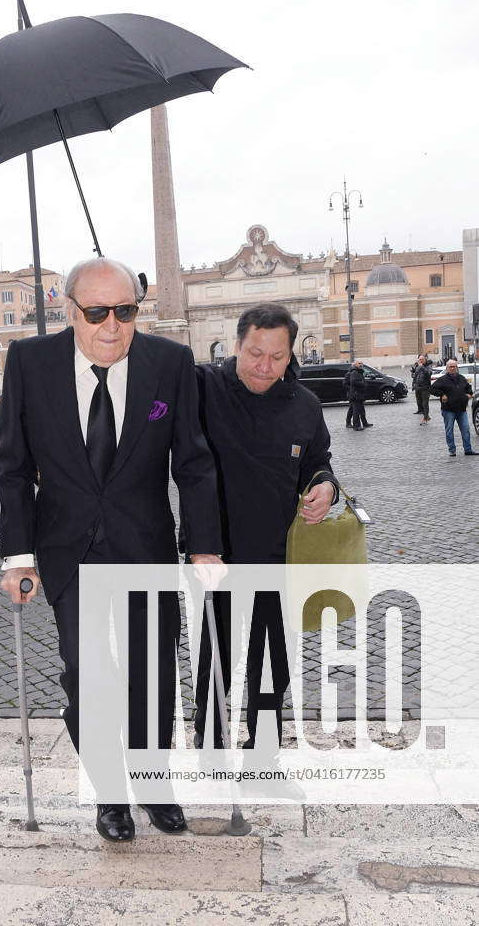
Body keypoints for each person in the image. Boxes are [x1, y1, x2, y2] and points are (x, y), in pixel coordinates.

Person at [0, 257, 222, 843]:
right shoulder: (29, 363)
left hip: (143, 546)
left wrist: (203, 548)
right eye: (97, 312)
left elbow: (193, 464)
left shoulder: (169, 364)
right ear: (69, 311)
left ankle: (152, 783)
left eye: (125, 311)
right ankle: (109, 794)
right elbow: (14, 468)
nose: (113, 325)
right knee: (88, 677)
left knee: (152, 675)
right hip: (69, 551)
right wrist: (17, 555)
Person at [190, 303, 338, 782]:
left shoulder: (304, 404)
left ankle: (264, 757)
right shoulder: (202, 388)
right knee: (216, 656)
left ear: (290, 352)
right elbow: (153, 417)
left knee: (274, 660)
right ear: (236, 345)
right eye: (255, 353)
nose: (264, 366)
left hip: (281, 554)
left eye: (277, 357)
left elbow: (319, 459)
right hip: (218, 552)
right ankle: (211, 753)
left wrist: (324, 485)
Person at [430, 359, 476, 456]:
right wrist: (442, 395)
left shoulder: (462, 378)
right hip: (448, 410)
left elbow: (468, 388)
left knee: (466, 430)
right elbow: (432, 389)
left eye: (454, 366)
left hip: (461, 409)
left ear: (457, 368)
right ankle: (452, 450)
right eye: (450, 367)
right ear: (447, 368)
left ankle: (468, 449)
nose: (452, 368)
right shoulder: (442, 380)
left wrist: (469, 394)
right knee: (449, 431)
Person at [348, 359, 373, 430]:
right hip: (356, 395)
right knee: (356, 411)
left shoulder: (360, 372)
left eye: (362, 363)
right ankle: (356, 426)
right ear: (355, 364)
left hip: (360, 394)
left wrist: (364, 383)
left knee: (362, 410)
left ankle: (365, 423)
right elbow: (353, 382)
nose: (361, 365)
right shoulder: (354, 372)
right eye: (359, 363)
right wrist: (363, 384)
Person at [412, 355, 432, 424]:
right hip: (418, 388)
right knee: (419, 403)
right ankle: (427, 416)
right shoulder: (417, 367)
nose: (420, 361)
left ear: (425, 360)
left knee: (425, 404)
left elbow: (428, 374)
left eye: (422, 359)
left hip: (425, 388)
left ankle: (425, 418)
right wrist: (413, 385)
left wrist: (422, 367)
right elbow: (415, 377)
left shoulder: (428, 366)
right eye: (419, 359)